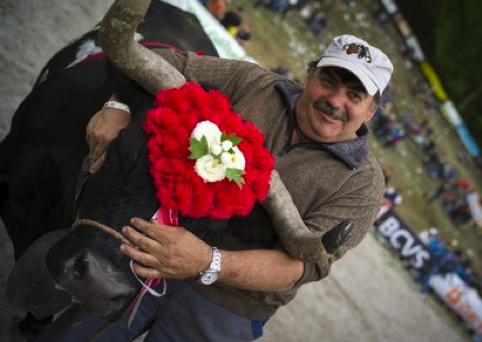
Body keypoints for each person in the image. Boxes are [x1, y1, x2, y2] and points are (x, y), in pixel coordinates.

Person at [35, 34, 393, 341]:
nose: (335, 100)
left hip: (229, 306)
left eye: (354, 94)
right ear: (309, 74)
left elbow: (305, 265)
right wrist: (118, 105)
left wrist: (209, 261)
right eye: (328, 81)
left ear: (371, 111)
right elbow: (155, 62)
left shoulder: (363, 184)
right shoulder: (253, 82)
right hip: (149, 252)